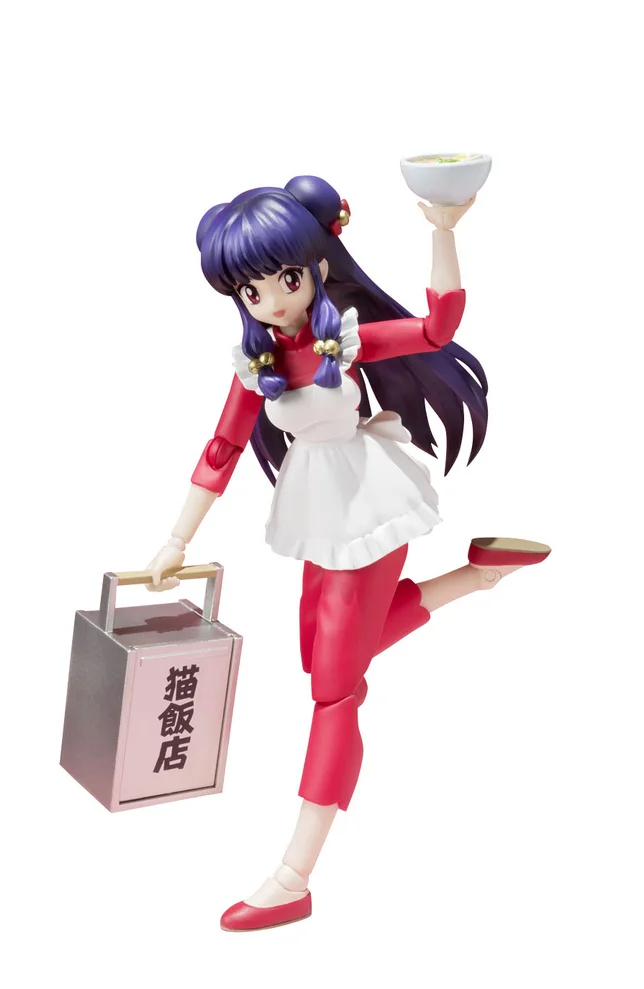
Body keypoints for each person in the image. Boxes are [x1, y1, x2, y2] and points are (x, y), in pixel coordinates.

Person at [145, 175, 550, 931]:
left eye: (285, 278)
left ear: (315, 267)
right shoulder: (257, 363)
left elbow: (436, 329)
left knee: (336, 687)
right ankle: (477, 576)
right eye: (251, 290)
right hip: (316, 507)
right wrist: (176, 539)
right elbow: (221, 448)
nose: (271, 299)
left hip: (369, 500)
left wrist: (443, 230)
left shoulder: (349, 339)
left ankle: (294, 875)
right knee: (323, 656)